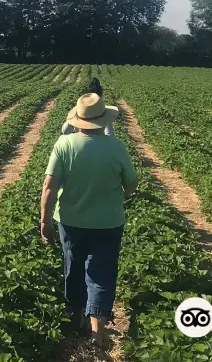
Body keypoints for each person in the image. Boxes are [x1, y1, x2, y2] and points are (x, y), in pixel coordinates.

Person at [41, 92, 138, 348]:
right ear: (103, 120)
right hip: (108, 222)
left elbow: (50, 187)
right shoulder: (116, 147)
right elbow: (131, 183)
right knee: (101, 273)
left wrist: (45, 221)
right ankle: (97, 333)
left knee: (73, 267)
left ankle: (76, 317)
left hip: (71, 221)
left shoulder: (64, 144)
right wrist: (121, 193)